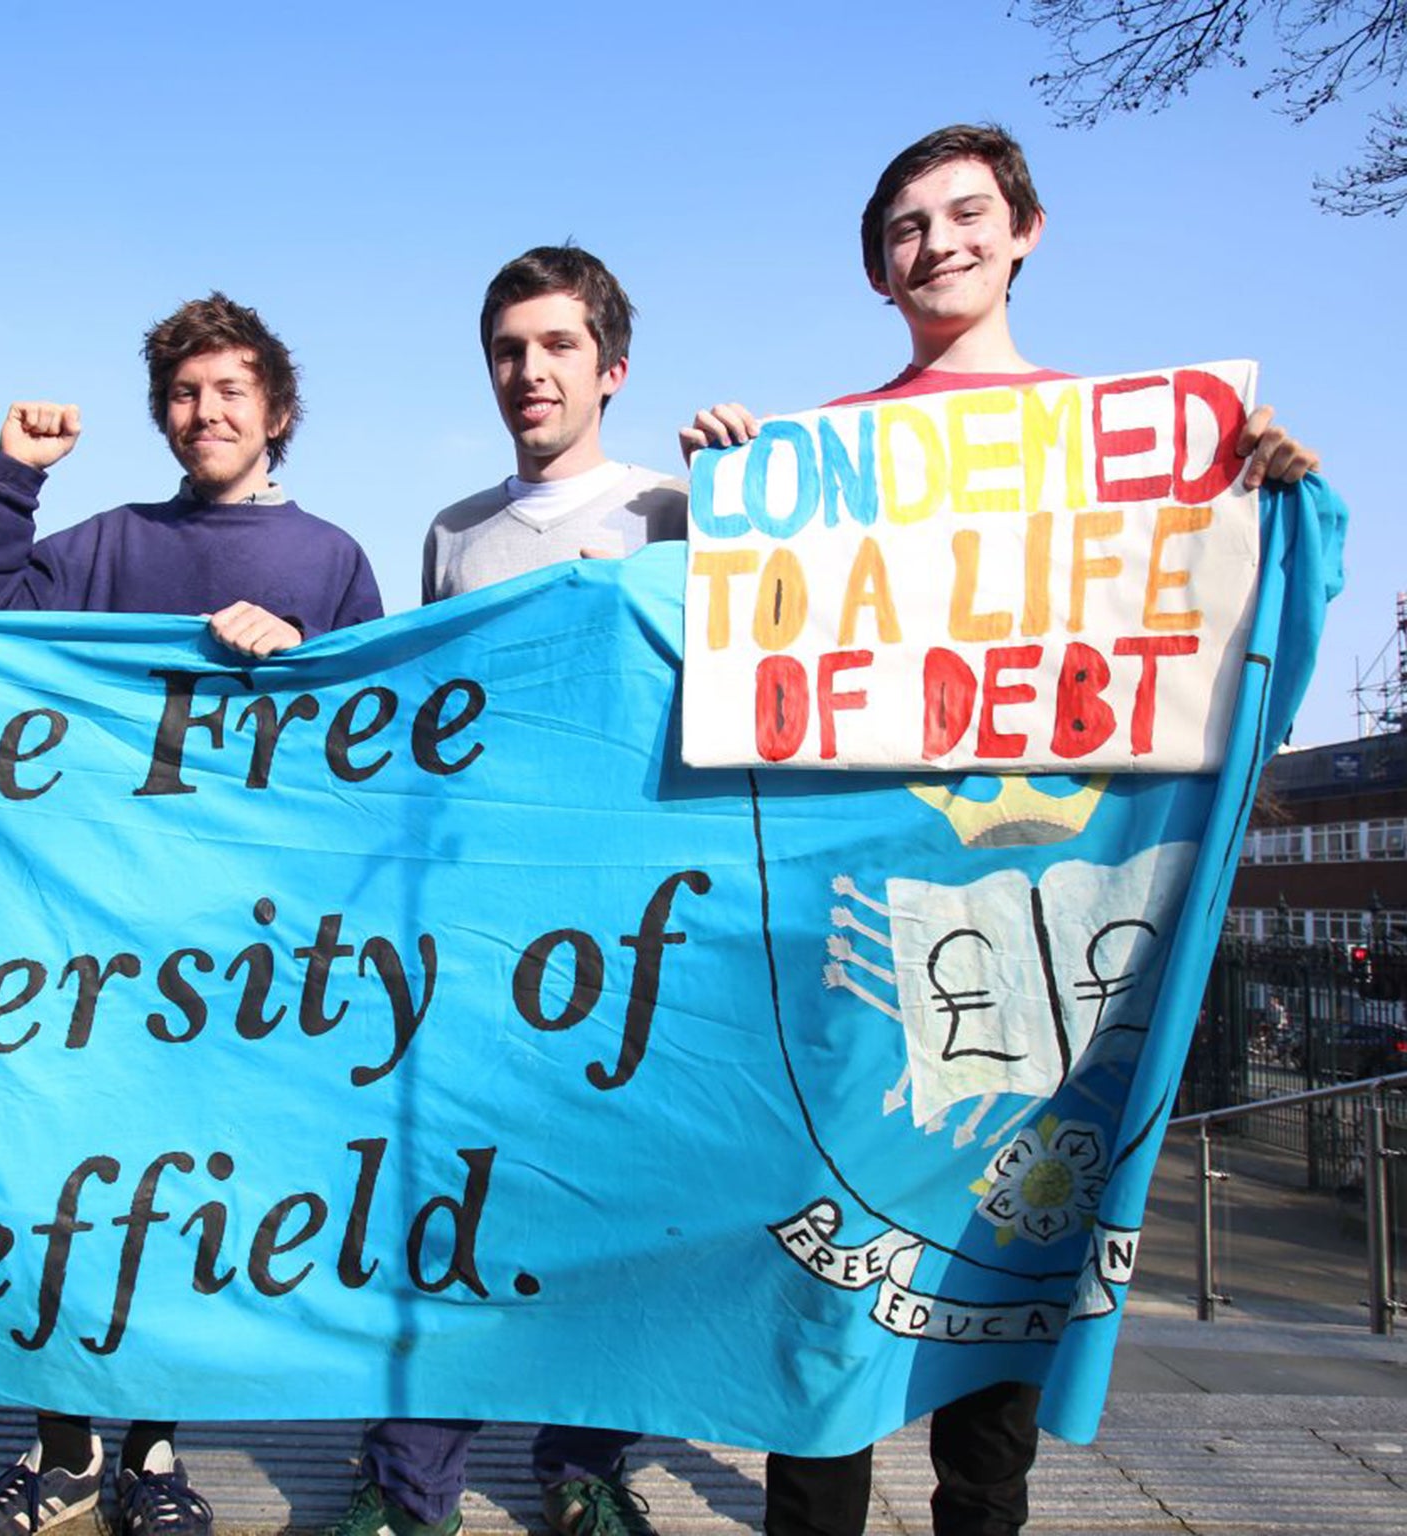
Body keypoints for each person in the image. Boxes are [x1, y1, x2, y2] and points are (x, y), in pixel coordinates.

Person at [681, 122, 1317, 1536]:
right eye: (906, 226)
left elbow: (1223, 653)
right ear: (875, 269)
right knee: (827, 1310)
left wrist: (1275, 502)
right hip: (867, 935)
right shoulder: (819, 456)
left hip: (1058, 919)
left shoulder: (1142, 453)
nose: (939, 242)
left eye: (966, 213)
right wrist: (725, 493)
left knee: (1003, 1283)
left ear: (1028, 229)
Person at [0, 291, 382, 1536]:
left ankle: (157, 1452)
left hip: (239, 946)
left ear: (276, 411)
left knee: (182, 1200)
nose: (206, 412)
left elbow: (381, 739)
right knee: (65, 1189)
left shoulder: (330, 557)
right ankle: (60, 1449)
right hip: (87, 931)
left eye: (231, 390)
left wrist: (300, 653)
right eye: (185, 394)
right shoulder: (106, 542)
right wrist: (10, 474)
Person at [326, 245, 693, 1536]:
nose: (529, 372)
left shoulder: (677, 506)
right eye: (507, 349)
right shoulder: (452, 530)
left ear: (612, 367)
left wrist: (757, 492)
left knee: (612, 1194)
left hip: (632, 919)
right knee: (450, 1192)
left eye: (555, 346)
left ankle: (585, 1462)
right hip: (481, 924)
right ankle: (409, 1478)